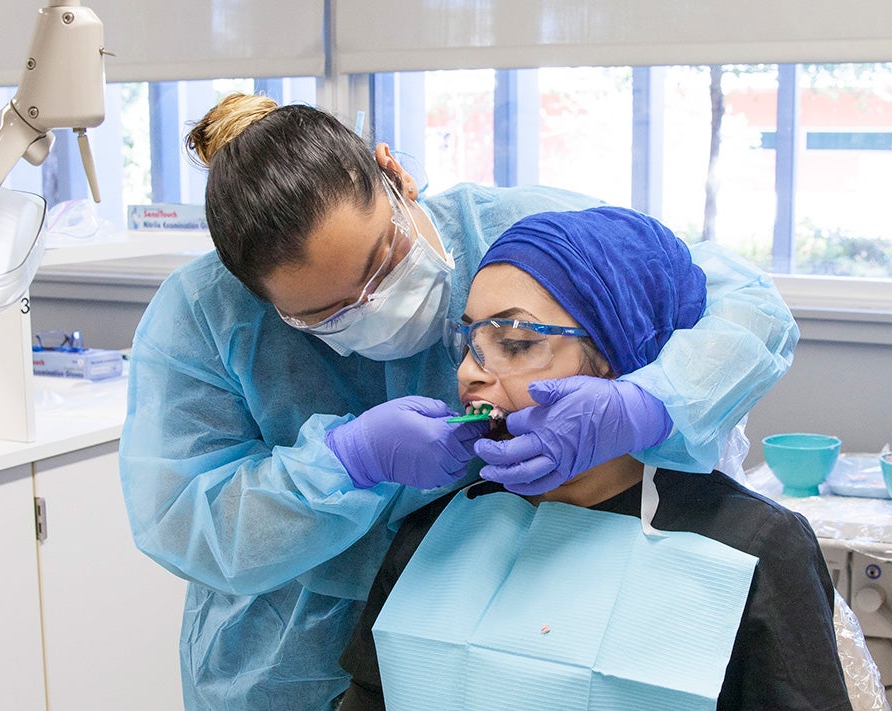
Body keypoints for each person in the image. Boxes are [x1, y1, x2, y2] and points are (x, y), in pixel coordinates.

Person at [118, 93, 799, 710]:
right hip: (285, 665)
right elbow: (185, 517)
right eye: (328, 313)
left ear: (396, 175)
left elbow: (748, 310)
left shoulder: (528, 237)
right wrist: (346, 461)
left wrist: (646, 405)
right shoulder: (207, 314)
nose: (374, 307)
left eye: (383, 260)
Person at [337, 206, 850, 710]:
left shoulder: (752, 546)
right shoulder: (433, 533)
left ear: (613, 358)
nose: (471, 373)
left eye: (514, 343)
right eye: (470, 341)